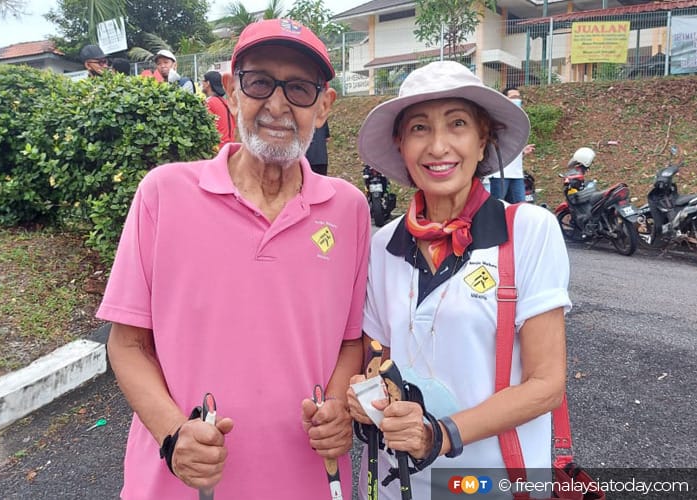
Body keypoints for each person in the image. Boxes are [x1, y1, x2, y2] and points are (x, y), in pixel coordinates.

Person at [97, 18, 370, 500]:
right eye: (260, 82)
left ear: (324, 105)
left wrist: (337, 408)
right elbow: (128, 345)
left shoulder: (348, 209)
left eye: (300, 89)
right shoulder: (164, 193)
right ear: (231, 90)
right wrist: (173, 436)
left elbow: (351, 341)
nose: (278, 105)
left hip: (310, 479)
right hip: (180, 484)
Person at [347, 61, 570, 499]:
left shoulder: (528, 230)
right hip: (395, 483)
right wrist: (363, 393)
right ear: (401, 144)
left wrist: (439, 434)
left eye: (458, 124)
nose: (438, 146)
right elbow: (378, 360)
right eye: (419, 128)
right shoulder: (384, 243)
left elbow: (546, 385)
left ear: (482, 139)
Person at [484, 86, 535, 202]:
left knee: (519, 208)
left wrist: (522, 152)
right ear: (505, 100)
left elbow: (509, 146)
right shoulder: (496, 118)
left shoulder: (520, 120)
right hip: (499, 175)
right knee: (499, 207)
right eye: (513, 97)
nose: (517, 99)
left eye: (518, 97)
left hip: (517, 174)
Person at [201, 70, 235, 149]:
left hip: (217, 148)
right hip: (230, 146)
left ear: (208, 83)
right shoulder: (225, 102)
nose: (202, 83)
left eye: (203, 81)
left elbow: (205, 128)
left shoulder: (208, 102)